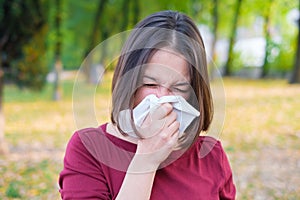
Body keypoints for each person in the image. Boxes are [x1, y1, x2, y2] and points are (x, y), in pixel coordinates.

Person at [59, 10, 236, 199]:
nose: (162, 99)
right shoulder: (89, 149)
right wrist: (146, 160)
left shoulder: (210, 155)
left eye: (178, 87)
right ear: (128, 81)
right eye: (150, 84)